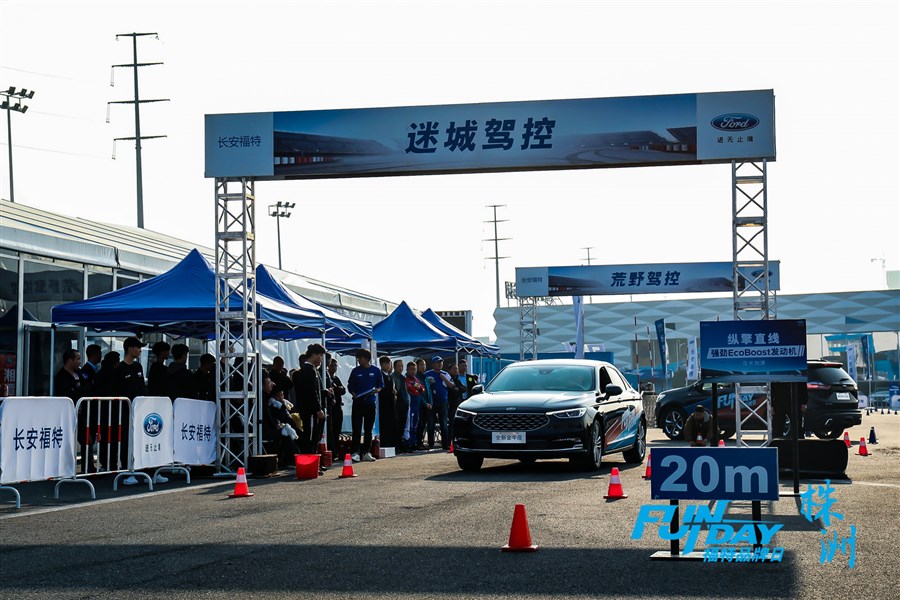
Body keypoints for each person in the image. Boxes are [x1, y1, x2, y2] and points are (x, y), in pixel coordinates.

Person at [347, 348, 383, 462]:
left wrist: (377, 390)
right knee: (356, 429)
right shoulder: (355, 371)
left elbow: (380, 384)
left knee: (368, 430)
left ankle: (366, 452)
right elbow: (350, 386)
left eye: (360, 358)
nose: (358, 360)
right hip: (358, 403)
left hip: (370, 403)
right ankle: (355, 452)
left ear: (367, 358)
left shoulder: (376, 370)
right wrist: (353, 393)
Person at [293, 343, 327, 463]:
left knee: (314, 437)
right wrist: (318, 409)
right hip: (310, 411)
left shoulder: (312, 370)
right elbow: (311, 392)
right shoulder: (308, 370)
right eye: (320, 356)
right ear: (314, 355)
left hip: (310, 409)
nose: (321, 359)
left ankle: (314, 462)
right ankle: (309, 462)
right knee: (311, 436)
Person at [425, 356, 456, 450]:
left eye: (441, 362)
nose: (440, 364)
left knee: (443, 423)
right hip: (431, 402)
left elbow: (452, 386)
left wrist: (444, 378)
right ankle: (430, 443)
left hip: (443, 402)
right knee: (431, 423)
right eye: (438, 362)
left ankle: (445, 444)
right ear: (433, 364)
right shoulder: (427, 374)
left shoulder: (445, 374)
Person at [327, 358, 347, 460]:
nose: (334, 368)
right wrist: (337, 389)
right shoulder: (327, 377)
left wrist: (339, 389)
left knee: (337, 430)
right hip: (331, 408)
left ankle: (337, 450)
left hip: (338, 407)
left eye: (335, 366)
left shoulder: (336, 378)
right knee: (331, 430)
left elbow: (343, 390)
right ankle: (332, 451)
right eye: (332, 365)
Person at [404, 362, 426, 451]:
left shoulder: (415, 379)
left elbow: (422, 389)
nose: (413, 371)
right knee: (410, 425)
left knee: (415, 424)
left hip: (417, 405)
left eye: (414, 369)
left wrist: (419, 388)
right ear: (407, 370)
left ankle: (414, 442)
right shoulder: (406, 379)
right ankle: (409, 443)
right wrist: (417, 389)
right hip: (411, 405)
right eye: (411, 369)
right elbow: (412, 390)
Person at [377, 355, 397, 451]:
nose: (388, 366)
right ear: (381, 364)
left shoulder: (390, 376)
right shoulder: (380, 375)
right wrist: (390, 392)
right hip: (383, 404)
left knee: (391, 423)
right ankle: (385, 443)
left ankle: (391, 443)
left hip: (391, 404)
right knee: (385, 424)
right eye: (386, 364)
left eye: (389, 364)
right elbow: (381, 390)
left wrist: (394, 392)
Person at [392, 359, 410, 452]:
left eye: (402, 366)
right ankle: (396, 445)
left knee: (403, 425)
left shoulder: (403, 378)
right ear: (394, 367)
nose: (401, 368)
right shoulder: (392, 377)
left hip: (404, 404)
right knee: (397, 426)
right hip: (397, 405)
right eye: (399, 366)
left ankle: (401, 444)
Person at [415, 358, 433, 449]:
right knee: (420, 424)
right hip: (419, 405)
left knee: (424, 424)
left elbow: (429, 391)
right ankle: (418, 442)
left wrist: (431, 402)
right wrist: (425, 403)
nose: (423, 366)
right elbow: (418, 393)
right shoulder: (416, 378)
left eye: (424, 365)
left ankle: (421, 442)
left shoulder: (425, 377)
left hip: (427, 405)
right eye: (421, 365)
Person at [447, 362, 466, 447]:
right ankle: (449, 442)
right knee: (451, 424)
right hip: (451, 404)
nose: (456, 370)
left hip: (458, 404)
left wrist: (458, 389)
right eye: (454, 369)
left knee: (458, 423)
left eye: (456, 369)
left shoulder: (457, 379)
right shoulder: (449, 378)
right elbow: (452, 391)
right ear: (450, 370)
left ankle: (457, 440)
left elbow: (464, 388)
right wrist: (457, 389)